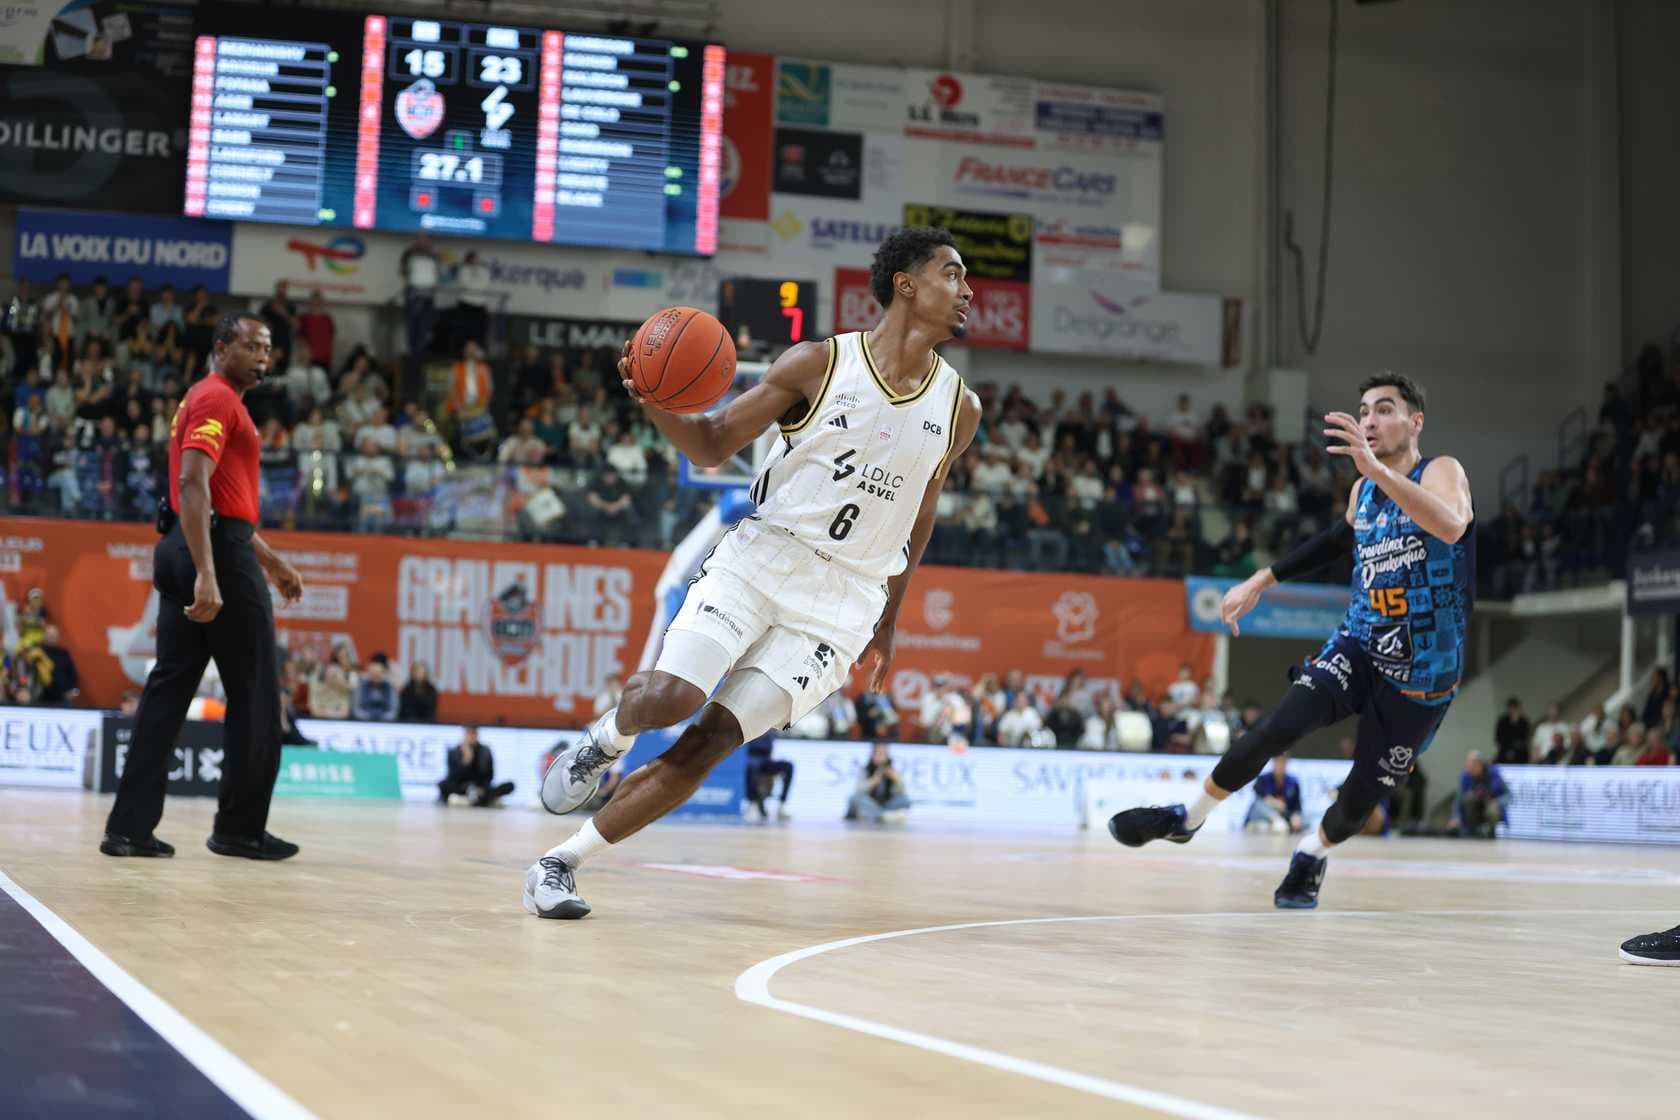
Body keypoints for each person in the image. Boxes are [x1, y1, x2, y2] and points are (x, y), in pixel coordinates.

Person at [524, 227, 981, 918]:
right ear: (906, 285)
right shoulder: (818, 364)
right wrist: (656, 400)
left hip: (845, 602)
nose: (967, 290)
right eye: (953, 274)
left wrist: (890, 617)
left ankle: (559, 862)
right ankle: (607, 739)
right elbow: (712, 442)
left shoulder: (960, 409)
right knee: (672, 696)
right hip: (764, 558)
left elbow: (920, 513)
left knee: (708, 744)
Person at [1108, 374, 1474, 909]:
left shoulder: (1441, 471)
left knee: (1356, 805)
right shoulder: (1363, 491)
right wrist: (1262, 579)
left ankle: (1311, 853)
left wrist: (1378, 472)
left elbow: (1452, 526)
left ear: (1415, 422)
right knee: (1276, 728)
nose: (1369, 420)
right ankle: (1187, 818)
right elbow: (1337, 540)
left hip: (1423, 675)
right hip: (1360, 644)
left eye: (1384, 409)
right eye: (1363, 410)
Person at [101, 312, 305, 862]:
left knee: (167, 692)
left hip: (188, 543)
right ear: (220, 348)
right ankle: (240, 829)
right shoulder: (217, 398)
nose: (262, 357)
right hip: (210, 554)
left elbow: (217, 502)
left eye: (267, 348)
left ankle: (128, 828)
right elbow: (193, 483)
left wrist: (272, 562)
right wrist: (209, 573)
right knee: (257, 693)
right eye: (251, 346)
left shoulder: (211, 398)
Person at [438, 726, 515, 807]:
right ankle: (485, 801)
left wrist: (480, 788)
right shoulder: (454, 751)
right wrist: (466, 761)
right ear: (464, 735)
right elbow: (452, 776)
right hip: (461, 787)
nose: (471, 737)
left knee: (510, 785)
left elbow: (489, 775)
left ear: (477, 735)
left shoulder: (485, 751)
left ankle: (468, 801)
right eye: (468, 734)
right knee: (442, 784)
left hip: (480, 787)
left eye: (473, 734)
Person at [846, 742, 911, 823]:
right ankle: (883, 816)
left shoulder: (892, 771)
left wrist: (897, 780)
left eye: (883, 754)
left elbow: (902, 793)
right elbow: (858, 791)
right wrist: (873, 781)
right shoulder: (865, 770)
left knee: (906, 800)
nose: (880, 757)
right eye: (878, 754)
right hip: (871, 803)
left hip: (887, 805)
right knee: (854, 798)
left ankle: (877, 815)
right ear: (872, 755)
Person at [1450, 751, 1508, 836]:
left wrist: (1498, 801)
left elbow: (1509, 795)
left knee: (1492, 809)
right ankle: (1473, 831)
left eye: (1472, 764)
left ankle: (1491, 832)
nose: (1469, 767)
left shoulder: (1494, 774)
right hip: (1475, 808)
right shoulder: (1465, 777)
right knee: (1468, 799)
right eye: (1468, 764)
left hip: (1490, 805)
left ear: (1480, 764)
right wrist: (1455, 817)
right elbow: (1458, 800)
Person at [743, 730, 794, 821]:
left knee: (788, 766)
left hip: (765, 762)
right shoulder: (749, 729)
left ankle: (782, 805)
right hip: (751, 762)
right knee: (751, 768)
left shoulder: (770, 731)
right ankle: (752, 804)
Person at [1247, 754, 1304, 833]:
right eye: (1278, 761)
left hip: (1284, 815)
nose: (1280, 765)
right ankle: (1275, 821)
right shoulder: (1263, 779)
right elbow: (1260, 798)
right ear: (1273, 762)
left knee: (1303, 821)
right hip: (1266, 814)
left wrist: (1296, 816)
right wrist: (1274, 803)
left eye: (1283, 762)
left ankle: (1277, 825)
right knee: (1258, 804)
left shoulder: (1293, 782)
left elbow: (1297, 806)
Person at [1493, 697, 1530, 766]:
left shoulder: (1523, 722)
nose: (1512, 711)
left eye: (1514, 708)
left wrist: (1516, 723)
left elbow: (1524, 738)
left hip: (1520, 753)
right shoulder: (1502, 721)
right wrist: (1509, 749)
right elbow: (1499, 738)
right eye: (1510, 708)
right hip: (1505, 751)